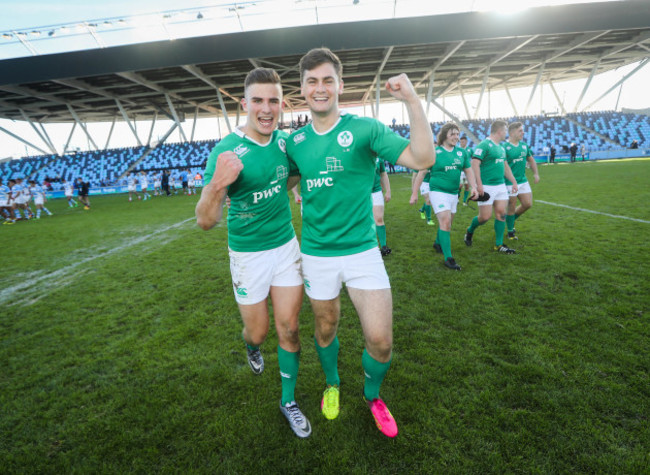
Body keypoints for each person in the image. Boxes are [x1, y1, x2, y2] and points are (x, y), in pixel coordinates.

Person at [285, 47, 434, 438]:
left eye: (327, 80)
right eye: (312, 81)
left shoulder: (365, 129)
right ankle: (332, 384)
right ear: (302, 88)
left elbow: (422, 158)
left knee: (381, 340)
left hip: (363, 252)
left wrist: (413, 101)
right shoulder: (294, 142)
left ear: (340, 84)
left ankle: (372, 395)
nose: (320, 88)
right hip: (316, 254)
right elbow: (276, 182)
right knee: (326, 326)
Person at [195, 67, 311, 439]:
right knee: (259, 332)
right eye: (258, 100)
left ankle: (288, 400)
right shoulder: (225, 151)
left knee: (290, 328)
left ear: (281, 105)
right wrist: (217, 186)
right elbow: (205, 221)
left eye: (273, 101)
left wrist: (283, 188)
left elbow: (290, 176)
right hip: (247, 255)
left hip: (285, 246)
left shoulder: (284, 143)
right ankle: (251, 345)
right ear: (245, 104)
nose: (266, 108)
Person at [411, 123, 477, 270]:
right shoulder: (434, 153)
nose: (456, 137)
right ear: (444, 135)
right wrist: (414, 193)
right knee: (446, 222)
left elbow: (468, 171)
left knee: (447, 223)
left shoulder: (462, 153)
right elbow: (421, 173)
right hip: (437, 192)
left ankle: (437, 242)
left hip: (454, 194)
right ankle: (449, 258)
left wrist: (474, 187)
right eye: (452, 134)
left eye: (457, 134)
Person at [464, 120, 518, 254]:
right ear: (499, 131)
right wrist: (479, 185)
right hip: (486, 186)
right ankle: (470, 230)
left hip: (500, 186)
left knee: (501, 213)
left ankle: (499, 245)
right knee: (484, 217)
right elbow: (474, 163)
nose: (506, 133)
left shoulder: (501, 147)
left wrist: (513, 181)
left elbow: (505, 167)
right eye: (505, 131)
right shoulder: (484, 144)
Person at [504, 122, 540, 240]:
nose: (523, 132)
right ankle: (510, 231)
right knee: (512, 206)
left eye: (523, 130)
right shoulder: (504, 147)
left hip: (523, 180)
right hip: (510, 182)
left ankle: (510, 219)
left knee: (527, 204)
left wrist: (535, 174)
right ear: (512, 132)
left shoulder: (524, 146)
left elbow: (531, 160)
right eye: (520, 130)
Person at [372, 156, 392, 256]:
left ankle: (383, 246)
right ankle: (368, 246)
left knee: (379, 219)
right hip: (361, 192)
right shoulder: (359, 154)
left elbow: (383, 174)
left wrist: (388, 190)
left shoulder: (379, 158)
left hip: (376, 191)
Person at [458, 136, 473, 206]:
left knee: (467, 186)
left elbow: (474, 158)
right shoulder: (457, 149)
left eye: (463, 141)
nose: (462, 143)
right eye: (461, 141)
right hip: (460, 171)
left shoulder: (470, 150)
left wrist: (471, 164)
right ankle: (457, 199)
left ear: (466, 142)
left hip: (467, 171)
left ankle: (464, 201)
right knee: (460, 186)